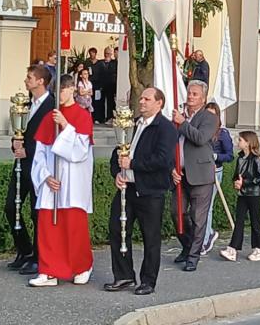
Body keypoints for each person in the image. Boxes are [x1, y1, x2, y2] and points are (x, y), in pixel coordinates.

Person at [106, 87, 177, 295]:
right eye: (142, 98)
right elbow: (117, 152)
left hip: (150, 191)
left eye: (147, 99)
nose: (142, 102)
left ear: (159, 103)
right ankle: (124, 275)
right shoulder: (133, 124)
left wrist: (133, 164)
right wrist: (116, 173)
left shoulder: (165, 128)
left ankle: (148, 281)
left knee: (150, 237)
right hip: (127, 189)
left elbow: (163, 160)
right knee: (118, 230)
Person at [28, 75, 95, 287]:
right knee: (48, 227)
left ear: (72, 89)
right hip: (52, 179)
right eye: (58, 90)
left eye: (64, 90)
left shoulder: (82, 116)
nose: (61, 94)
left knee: (74, 227)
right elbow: (40, 153)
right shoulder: (49, 117)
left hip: (73, 181)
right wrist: (45, 176)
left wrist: (66, 126)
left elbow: (80, 151)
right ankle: (49, 270)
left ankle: (81, 266)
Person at [6, 64, 54, 275]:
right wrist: (15, 143)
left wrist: (29, 150)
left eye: (30, 78)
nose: (26, 81)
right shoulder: (26, 104)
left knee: (37, 212)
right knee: (11, 207)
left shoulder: (51, 106)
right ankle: (24, 250)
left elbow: (50, 137)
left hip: (39, 165)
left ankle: (38, 256)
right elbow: (20, 131)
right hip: (22, 164)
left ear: (41, 81)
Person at [170, 81, 218, 271]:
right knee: (177, 213)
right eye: (189, 93)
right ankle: (187, 245)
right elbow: (170, 144)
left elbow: (200, 138)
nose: (190, 96)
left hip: (200, 175)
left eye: (195, 94)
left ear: (203, 98)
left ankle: (193, 256)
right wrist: (172, 168)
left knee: (198, 218)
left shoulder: (209, 117)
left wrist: (182, 123)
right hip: (180, 174)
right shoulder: (178, 115)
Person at [220, 131, 260, 262]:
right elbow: (237, 175)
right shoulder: (240, 158)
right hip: (242, 193)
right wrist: (236, 182)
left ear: (248, 143)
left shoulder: (256, 159)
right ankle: (233, 249)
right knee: (239, 221)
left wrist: (244, 182)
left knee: (255, 222)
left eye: (240, 140)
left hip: (254, 194)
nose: (238, 142)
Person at [201, 102, 233, 256]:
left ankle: (206, 238)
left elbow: (230, 155)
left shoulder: (222, 133)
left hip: (214, 172)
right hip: (200, 171)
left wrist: (215, 157)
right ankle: (204, 235)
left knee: (207, 206)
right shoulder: (200, 130)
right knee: (199, 207)